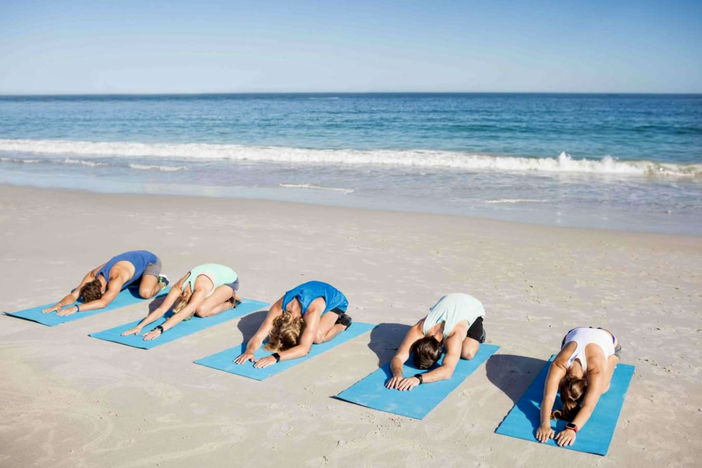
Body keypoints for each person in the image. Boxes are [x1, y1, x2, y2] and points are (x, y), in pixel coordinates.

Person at [234, 281, 351, 368]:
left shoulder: (312, 311)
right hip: (315, 292)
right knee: (311, 332)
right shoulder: (278, 308)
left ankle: (343, 323)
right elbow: (258, 337)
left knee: (317, 337)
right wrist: (249, 350)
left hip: (336, 300)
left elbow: (304, 349)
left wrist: (275, 357)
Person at [536, 327, 621, 447]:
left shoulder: (595, 370)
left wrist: (572, 429)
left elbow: (588, 406)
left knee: (602, 388)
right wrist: (544, 424)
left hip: (608, 339)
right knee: (596, 387)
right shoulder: (558, 364)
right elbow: (548, 398)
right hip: (574, 334)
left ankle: (612, 360)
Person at [385, 293, 486, 391]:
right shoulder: (418, 329)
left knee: (467, 353)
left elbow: (448, 371)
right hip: (449, 299)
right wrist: (397, 374)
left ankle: (480, 333)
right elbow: (398, 357)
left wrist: (418, 379)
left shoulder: (454, 334)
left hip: (472, 305)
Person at [121, 263, 241, 340]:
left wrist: (160, 329)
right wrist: (139, 326)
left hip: (229, 281)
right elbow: (161, 309)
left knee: (202, 311)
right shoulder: (178, 287)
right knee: (200, 307)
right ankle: (222, 296)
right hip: (213, 273)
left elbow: (181, 314)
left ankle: (231, 302)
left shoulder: (200, 289)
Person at [41, 250, 166, 316]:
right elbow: (74, 295)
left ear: (102, 290)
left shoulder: (117, 278)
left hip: (150, 261)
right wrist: (60, 304)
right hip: (133, 261)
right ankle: (140, 279)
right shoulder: (92, 275)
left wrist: (76, 308)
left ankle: (161, 281)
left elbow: (103, 303)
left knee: (145, 293)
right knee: (131, 283)